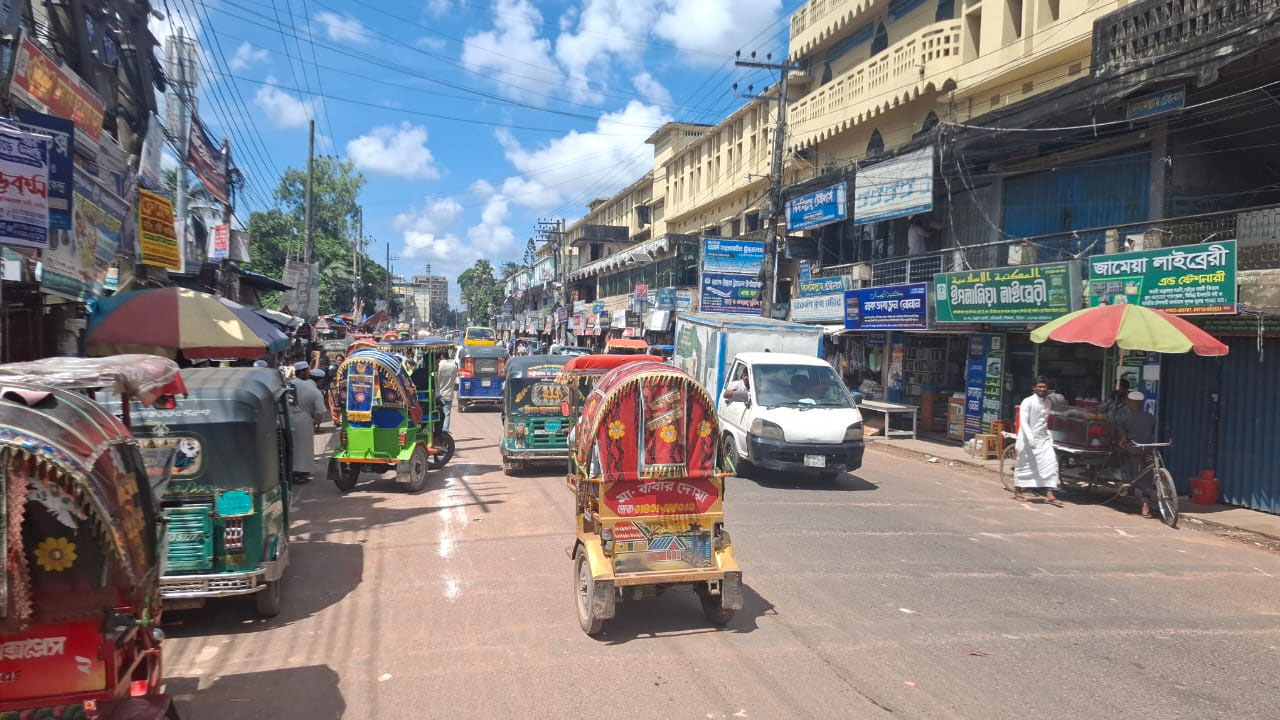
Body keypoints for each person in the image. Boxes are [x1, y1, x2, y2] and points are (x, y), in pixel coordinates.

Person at [1013, 376, 1061, 505]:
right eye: (1039, 387)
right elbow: (1023, 421)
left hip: (1043, 439)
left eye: (1044, 387)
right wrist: (1030, 437)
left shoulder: (1048, 402)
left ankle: (1049, 493)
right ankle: (1017, 491)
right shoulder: (1027, 401)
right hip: (1028, 439)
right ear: (1034, 388)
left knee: (1051, 463)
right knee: (1025, 465)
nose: (1042, 389)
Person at [1114, 390, 1159, 518]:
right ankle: (1145, 506)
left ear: (1129, 403)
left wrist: (1122, 441)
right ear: (1141, 403)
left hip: (1133, 449)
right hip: (1148, 449)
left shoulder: (1122, 419)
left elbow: (1123, 439)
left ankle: (1129, 484)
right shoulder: (1151, 417)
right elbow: (1150, 434)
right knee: (1147, 476)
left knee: (1123, 455)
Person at [287, 361, 327, 484]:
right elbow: (320, 412)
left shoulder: (289, 383)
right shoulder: (314, 391)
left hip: (286, 418)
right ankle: (300, 474)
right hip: (303, 420)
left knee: (289, 446)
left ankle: (289, 472)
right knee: (303, 449)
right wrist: (316, 422)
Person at [435, 350, 459, 433]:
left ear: (441, 356)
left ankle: (436, 431)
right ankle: (445, 431)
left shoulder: (438, 365)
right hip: (448, 394)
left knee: (436, 414)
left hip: (438, 394)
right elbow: (455, 377)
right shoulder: (453, 366)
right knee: (447, 413)